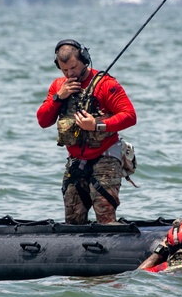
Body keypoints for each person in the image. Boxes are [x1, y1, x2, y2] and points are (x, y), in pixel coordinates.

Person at [36, 39, 137, 224]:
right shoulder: (58, 86)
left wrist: (97, 125)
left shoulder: (106, 84)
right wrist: (59, 97)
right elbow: (43, 121)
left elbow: (130, 116)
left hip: (106, 155)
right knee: (73, 219)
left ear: (85, 59)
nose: (70, 73)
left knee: (105, 216)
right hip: (76, 161)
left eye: (73, 67)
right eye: (64, 70)